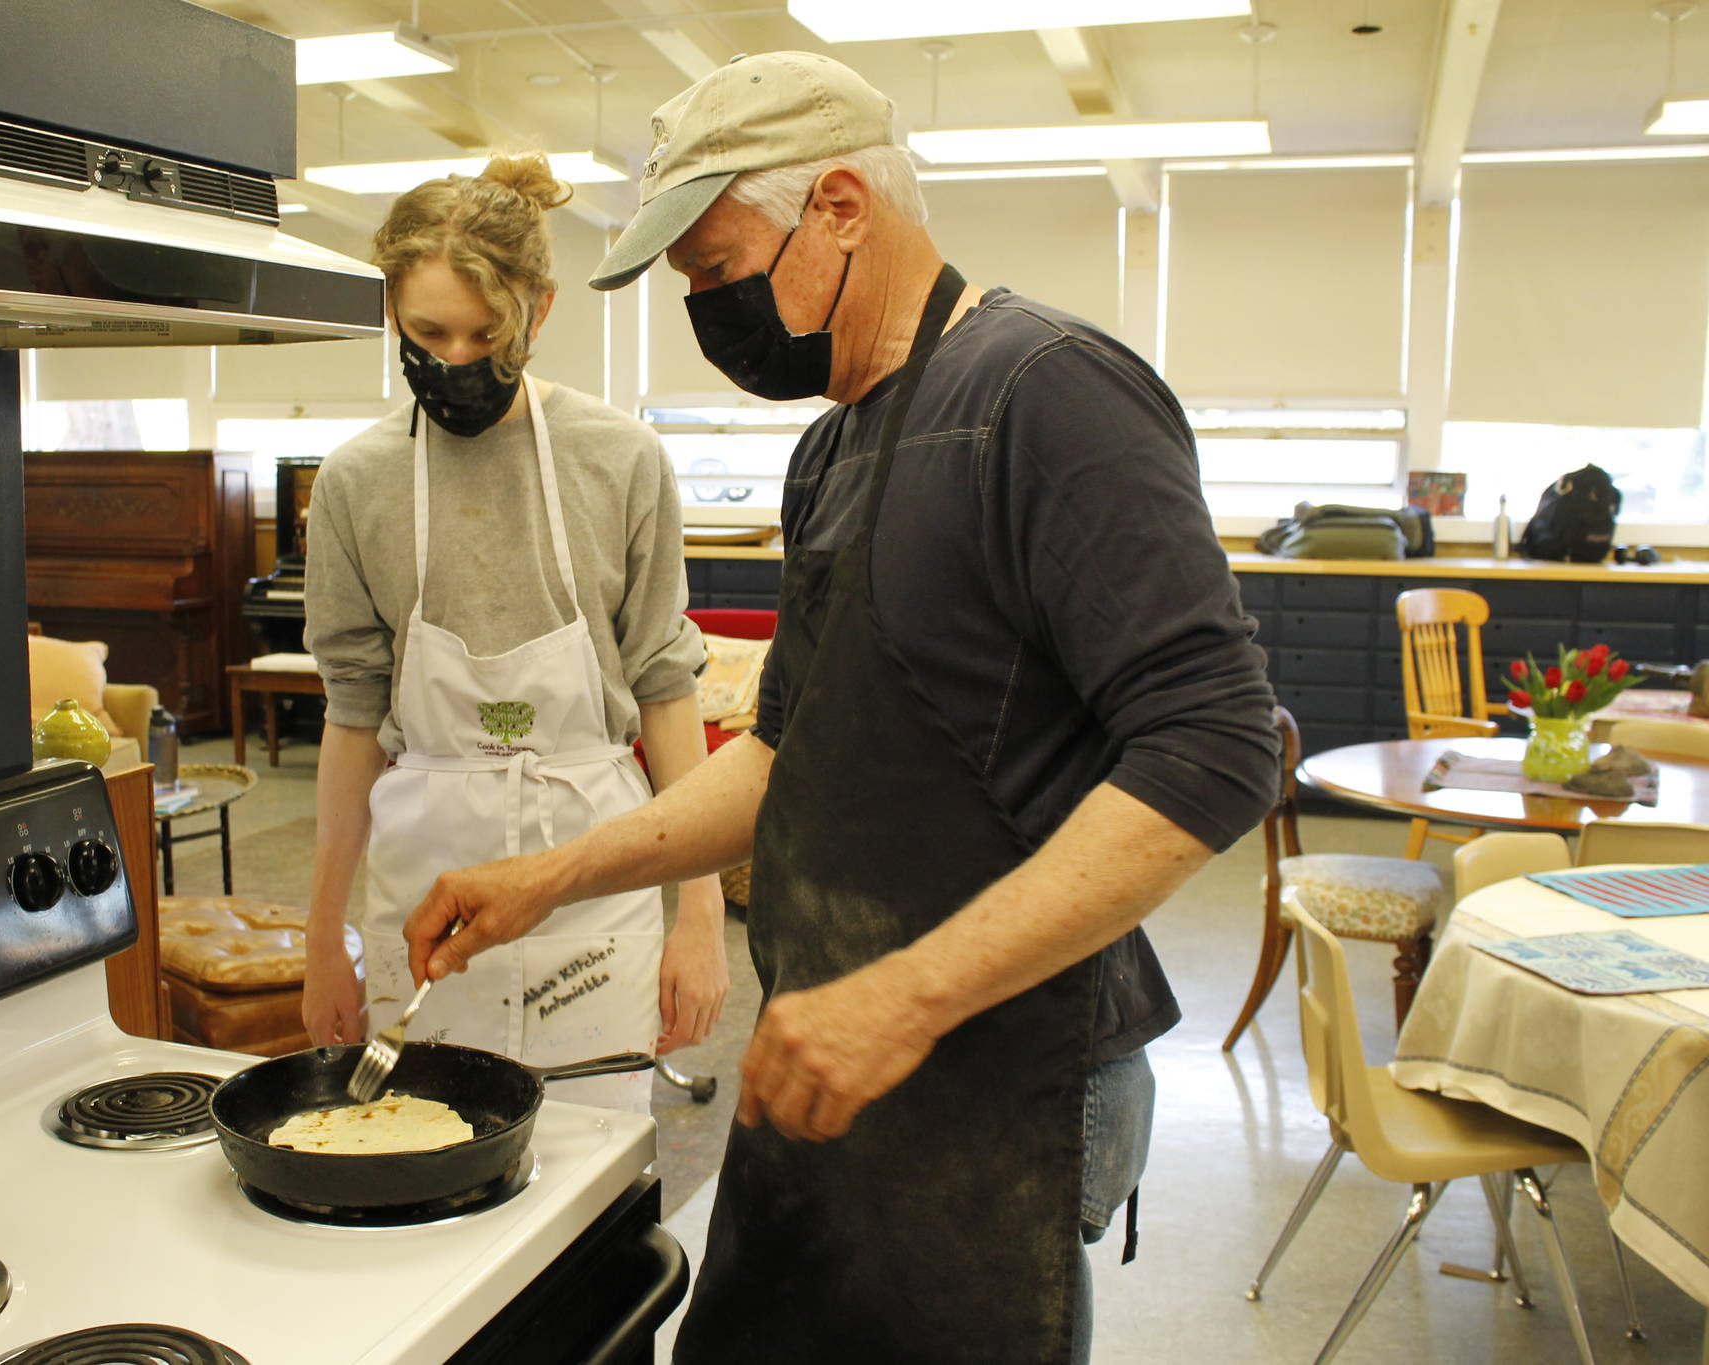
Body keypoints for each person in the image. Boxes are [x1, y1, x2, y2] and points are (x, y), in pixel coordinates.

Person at [401, 55, 1278, 1361]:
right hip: (841, 1060)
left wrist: (907, 997)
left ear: (843, 207)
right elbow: (783, 751)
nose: (706, 306)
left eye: (713, 266)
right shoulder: (836, 447)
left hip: (999, 1078)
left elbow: (1217, 743)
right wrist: (559, 874)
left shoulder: (1048, 393)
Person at [297, 153, 730, 1111]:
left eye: (485, 333)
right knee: (421, 1146)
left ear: (540, 308)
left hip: (593, 862)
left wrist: (697, 912)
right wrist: (327, 934)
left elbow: (664, 688)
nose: (455, 360)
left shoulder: (620, 458)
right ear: (389, 314)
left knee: (593, 1160)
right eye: (427, 331)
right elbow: (353, 714)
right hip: (424, 880)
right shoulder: (357, 483)